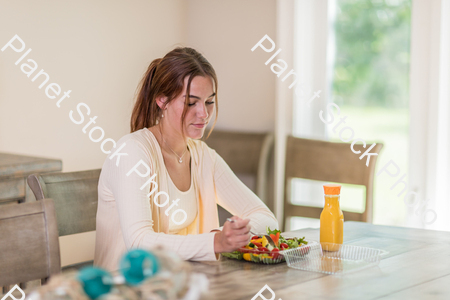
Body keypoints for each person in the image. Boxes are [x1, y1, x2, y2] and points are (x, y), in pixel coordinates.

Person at [94, 47, 279, 272]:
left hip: (179, 287)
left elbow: (267, 219)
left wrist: (227, 236)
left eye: (209, 101)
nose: (204, 113)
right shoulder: (132, 152)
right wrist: (214, 242)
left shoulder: (203, 157)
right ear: (162, 100)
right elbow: (139, 242)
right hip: (125, 291)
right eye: (191, 102)